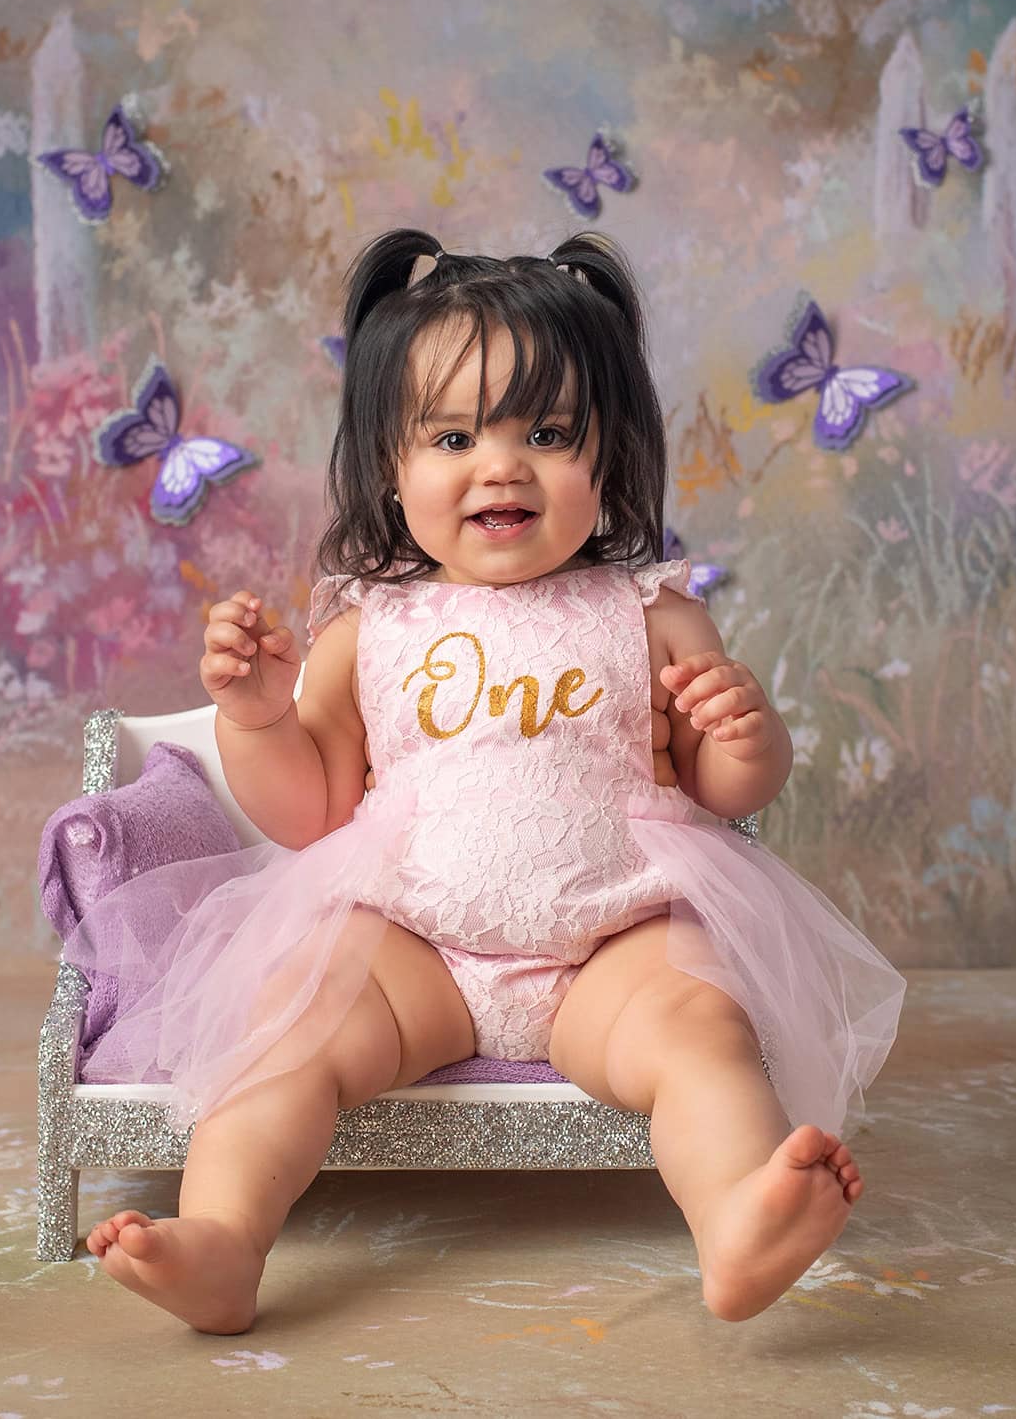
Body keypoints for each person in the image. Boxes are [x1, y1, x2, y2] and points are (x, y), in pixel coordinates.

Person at [64, 228, 906, 1333]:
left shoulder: (652, 610)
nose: (501, 465)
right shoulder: (368, 623)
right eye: (453, 436)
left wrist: (742, 734)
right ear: (389, 464)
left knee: (702, 1028)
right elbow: (311, 810)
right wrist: (259, 718)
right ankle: (223, 1238)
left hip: (610, 941)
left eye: (546, 433)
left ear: (607, 456)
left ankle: (738, 1219)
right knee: (289, 1025)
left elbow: (723, 789)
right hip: (415, 944)